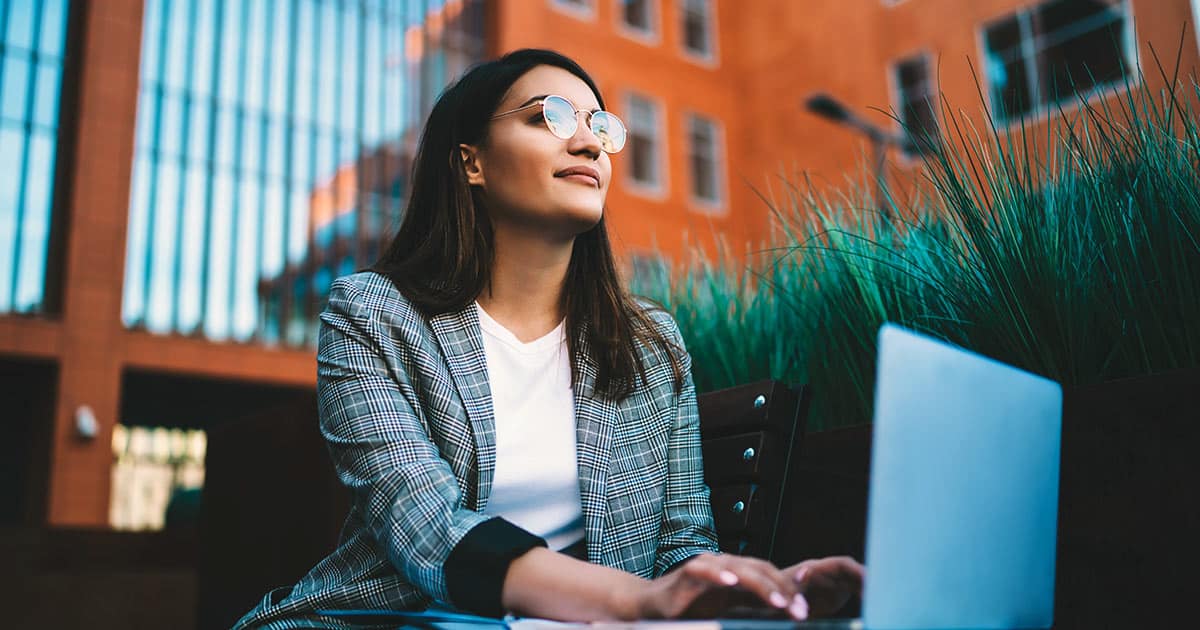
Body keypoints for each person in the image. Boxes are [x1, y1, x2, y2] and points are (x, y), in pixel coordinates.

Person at [236, 48, 863, 629]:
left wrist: (746, 590)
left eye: (600, 126)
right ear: (471, 162)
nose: (590, 142)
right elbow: (427, 527)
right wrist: (635, 602)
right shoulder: (373, 315)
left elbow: (681, 546)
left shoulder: (651, 345)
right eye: (550, 118)